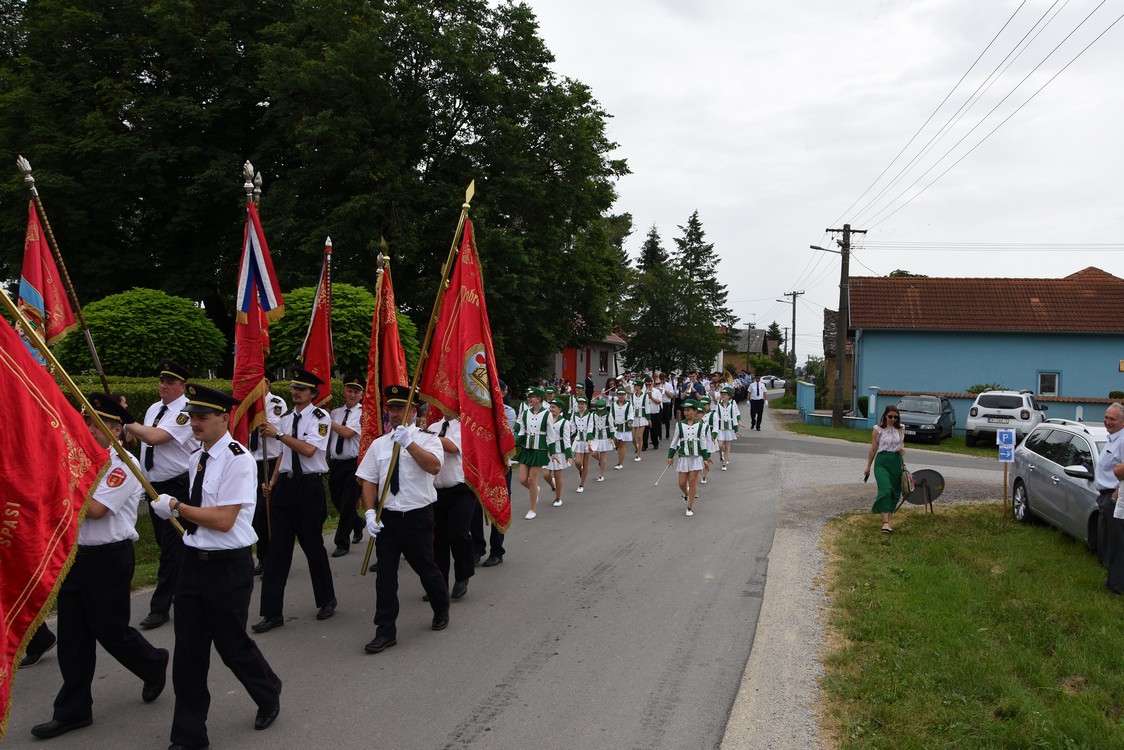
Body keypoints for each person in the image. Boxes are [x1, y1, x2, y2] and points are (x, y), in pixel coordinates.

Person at [149, 384, 283, 748]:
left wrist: (176, 507)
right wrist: (179, 510)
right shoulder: (197, 457)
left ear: (224, 418)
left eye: (203, 417)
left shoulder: (238, 459)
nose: (194, 423)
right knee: (189, 653)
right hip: (193, 564)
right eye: (192, 416)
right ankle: (189, 735)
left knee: (231, 645)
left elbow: (223, 520)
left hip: (228, 567)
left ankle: (268, 690)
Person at [30, 393, 168, 741]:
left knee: (111, 631)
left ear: (116, 429)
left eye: (95, 425)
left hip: (109, 558)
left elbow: (95, 510)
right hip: (74, 556)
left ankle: (153, 663)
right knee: (73, 638)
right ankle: (73, 710)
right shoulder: (76, 460)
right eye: (85, 424)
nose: (88, 431)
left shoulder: (123, 464)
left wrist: (56, 481)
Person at [356, 385, 449, 653]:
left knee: (426, 569)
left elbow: (434, 466)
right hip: (388, 519)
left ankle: (441, 606)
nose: (395, 413)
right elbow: (368, 479)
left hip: (417, 517)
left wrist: (409, 443)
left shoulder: (428, 439)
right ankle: (385, 630)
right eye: (392, 408)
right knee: (385, 578)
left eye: (401, 408)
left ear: (413, 411)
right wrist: (370, 512)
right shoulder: (379, 444)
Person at [254, 369, 337, 632]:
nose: (296, 392)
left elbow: (309, 450)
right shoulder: (286, 418)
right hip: (285, 486)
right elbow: (284, 454)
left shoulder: (320, 418)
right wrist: (272, 482)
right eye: (294, 387)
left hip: (309, 487)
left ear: (313, 393)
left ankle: (326, 599)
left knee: (313, 546)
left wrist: (278, 435)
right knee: (277, 550)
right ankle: (271, 612)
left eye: (301, 389)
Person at [125, 358, 197, 630]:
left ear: (182, 386)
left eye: (170, 382)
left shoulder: (185, 411)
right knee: (168, 544)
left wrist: (126, 420)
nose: (163, 385)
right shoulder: (154, 408)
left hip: (177, 486)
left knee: (171, 548)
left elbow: (156, 438)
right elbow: (142, 439)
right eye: (162, 381)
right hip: (154, 487)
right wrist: (126, 430)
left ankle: (160, 607)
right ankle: (191, 590)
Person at [430, 415, 476, 600]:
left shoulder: (465, 426)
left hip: (461, 489)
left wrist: (425, 437)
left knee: (458, 534)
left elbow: (453, 447)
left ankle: (463, 576)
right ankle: (439, 584)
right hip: (435, 491)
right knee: (437, 539)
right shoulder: (434, 426)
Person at [249, 375, 287, 574]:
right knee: (255, 514)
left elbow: (272, 429)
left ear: (267, 384)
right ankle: (262, 557)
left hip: (270, 461)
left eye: (260, 382)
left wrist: (257, 416)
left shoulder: (276, 403)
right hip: (251, 462)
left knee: (269, 512)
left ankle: (273, 558)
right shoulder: (246, 404)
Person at [328, 374, 365, 557]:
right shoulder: (335, 413)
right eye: (349, 390)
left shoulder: (363, 413)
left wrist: (326, 421)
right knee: (337, 500)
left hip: (354, 464)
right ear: (343, 391)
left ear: (361, 395)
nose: (352, 394)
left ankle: (342, 542)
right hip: (336, 464)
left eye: (356, 392)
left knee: (348, 501)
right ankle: (358, 523)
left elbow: (348, 433)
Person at [864, 405, 906, 533]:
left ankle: (887, 515)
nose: (893, 419)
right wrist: (868, 466)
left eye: (895, 417)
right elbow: (873, 449)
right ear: (885, 416)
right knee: (886, 489)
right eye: (890, 416)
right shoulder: (878, 430)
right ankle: (885, 523)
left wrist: (902, 449)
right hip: (882, 462)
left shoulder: (901, 429)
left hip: (896, 462)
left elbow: (901, 443)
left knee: (894, 491)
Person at [1096, 403, 1124, 592]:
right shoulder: (1112, 439)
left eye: (1112, 419)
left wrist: (1115, 496)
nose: (1107, 421)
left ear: (1122, 421)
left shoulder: (1122, 441)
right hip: (1106, 498)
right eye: (1106, 417)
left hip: (1114, 498)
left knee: (1117, 544)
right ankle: (1112, 581)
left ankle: (1117, 586)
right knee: (1108, 543)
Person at [667, 399, 709, 517]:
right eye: (685, 410)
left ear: (695, 411)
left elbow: (703, 443)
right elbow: (674, 442)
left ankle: (690, 507)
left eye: (688, 410)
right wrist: (670, 456)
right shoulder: (679, 425)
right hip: (684, 458)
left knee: (692, 481)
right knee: (681, 483)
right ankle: (687, 493)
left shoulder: (700, 426)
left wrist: (705, 458)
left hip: (696, 458)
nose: (686, 412)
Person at [514, 387, 550, 520]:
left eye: (531, 397)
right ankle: (535, 490)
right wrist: (513, 444)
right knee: (523, 480)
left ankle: (532, 509)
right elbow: (522, 431)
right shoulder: (525, 413)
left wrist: (552, 452)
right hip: (526, 448)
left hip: (539, 449)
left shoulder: (547, 414)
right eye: (528, 397)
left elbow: (550, 435)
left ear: (538, 399)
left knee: (533, 479)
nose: (529, 399)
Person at [543, 398, 574, 506]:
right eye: (550, 407)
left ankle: (558, 498)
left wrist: (569, 455)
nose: (551, 409)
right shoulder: (546, 419)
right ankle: (553, 485)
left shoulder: (564, 422)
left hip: (559, 451)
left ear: (559, 409)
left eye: (554, 407)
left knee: (557, 474)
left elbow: (566, 440)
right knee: (546, 474)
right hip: (547, 450)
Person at [569, 396, 593, 492]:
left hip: (587, 440)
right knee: (578, 462)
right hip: (578, 440)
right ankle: (581, 471)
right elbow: (572, 428)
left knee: (585, 462)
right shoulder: (574, 414)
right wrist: (570, 437)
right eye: (579, 404)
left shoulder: (590, 415)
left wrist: (590, 441)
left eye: (582, 404)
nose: (580, 406)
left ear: (586, 405)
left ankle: (581, 485)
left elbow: (590, 428)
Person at [714, 386, 741, 470]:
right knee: (720, 445)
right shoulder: (718, 404)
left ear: (729, 396)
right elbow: (716, 416)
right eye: (722, 394)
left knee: (727, 445)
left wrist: (736, 429)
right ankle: (721, 455)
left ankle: (724, 463)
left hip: (729, 427)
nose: (723, 396)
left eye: (725, 394)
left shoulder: (732, 404)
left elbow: (735, 415)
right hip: (720, 427)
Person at [609, 388, 633, 470]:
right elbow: (610, 415)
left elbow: (631, 414)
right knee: (614, 441)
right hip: (615, 426)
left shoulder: (629, 405)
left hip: (625, 426)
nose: (621, 396)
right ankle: (616, 447)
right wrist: (610, 423)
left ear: (625, 396)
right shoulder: (613, 405)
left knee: (622, 445)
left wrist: (630, 421)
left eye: (623, 395)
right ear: (617, 395)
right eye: (619, 395)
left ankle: (620, 463)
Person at [628, 380, 648, 459]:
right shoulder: (632, 396)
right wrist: (629, 419)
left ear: (640, 387)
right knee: (633, 437)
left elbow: (647, 408)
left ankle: (639, 455)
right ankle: (637, 448)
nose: (634, 387)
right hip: (634, 417)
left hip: (642, 417)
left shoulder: (645, 396)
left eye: (636, 385)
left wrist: (648, 418)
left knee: (640, 436)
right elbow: (630, 407)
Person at [644, 377, 663, 451]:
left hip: (655, 412)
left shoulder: (656, 391)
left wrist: (651, 397)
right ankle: (644, 445)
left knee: (654, 429)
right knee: (645, 430)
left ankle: (655, 443)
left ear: (652, 384)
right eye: (646, 385)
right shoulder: (643, 392)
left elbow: (659, 402)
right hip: (646, 413)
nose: (648, 386)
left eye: (649, 384)